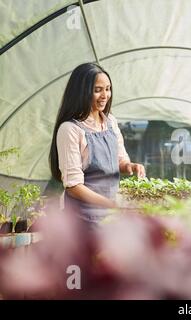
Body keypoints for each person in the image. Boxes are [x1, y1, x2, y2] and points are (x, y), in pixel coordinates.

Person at [49, 63, 146, 226]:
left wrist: (130, 166)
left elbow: (119, 160)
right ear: (82, 92)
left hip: (109, 218)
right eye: (98, 90)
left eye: (108, 89)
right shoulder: (70, 129)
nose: (105, 95)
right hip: (82, 220)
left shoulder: (110, 121)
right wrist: (114, 205)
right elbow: (74, 186)